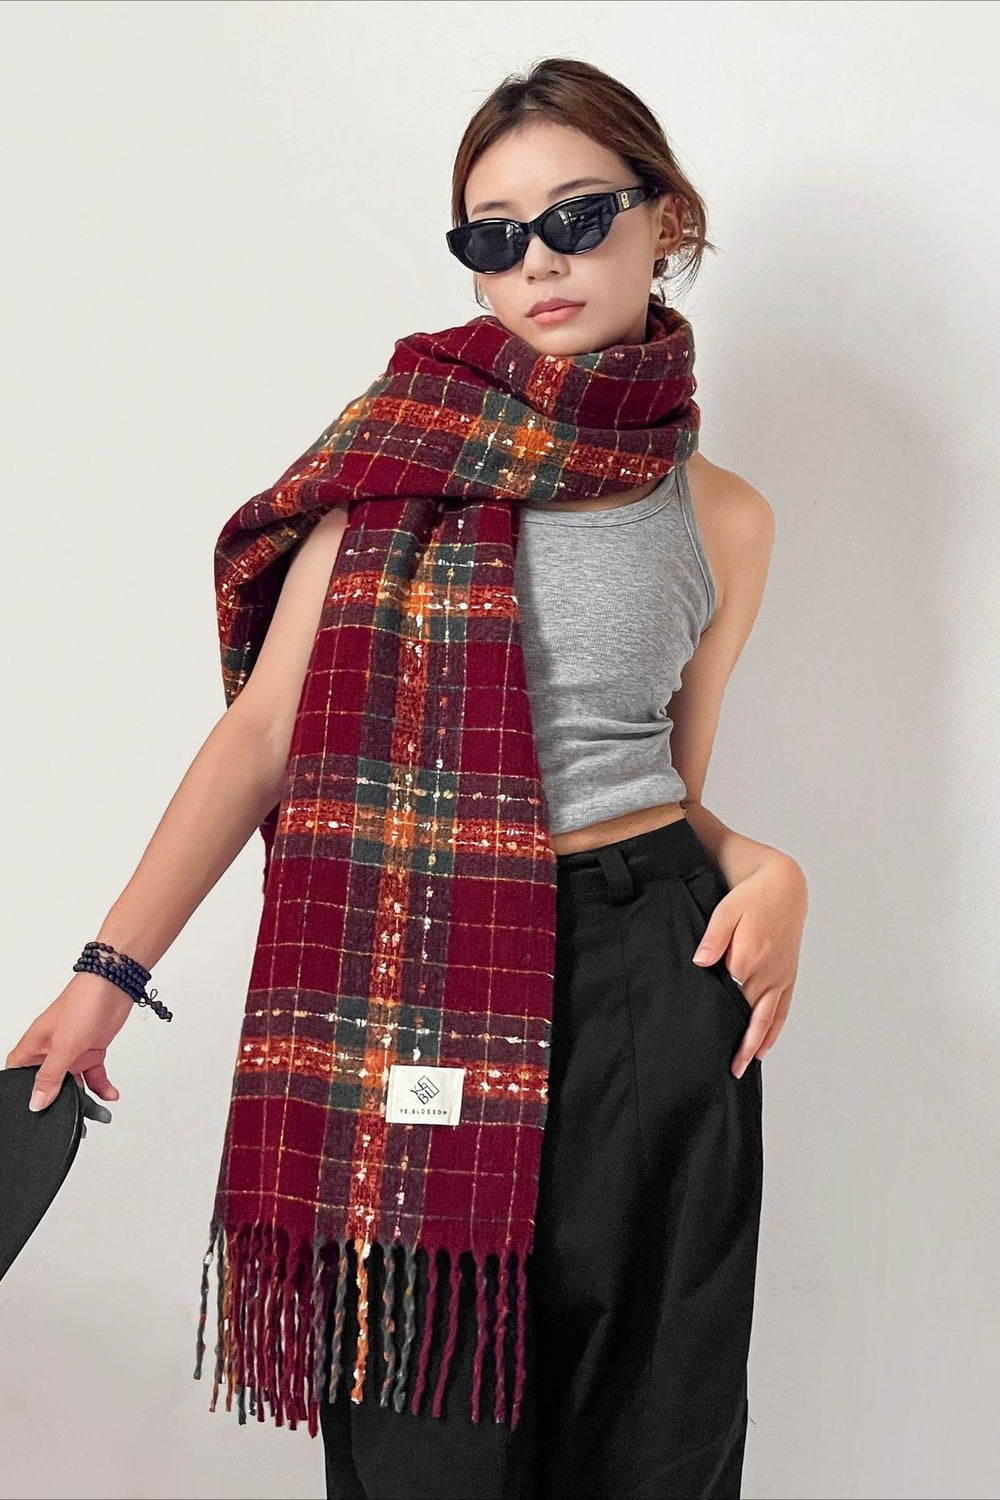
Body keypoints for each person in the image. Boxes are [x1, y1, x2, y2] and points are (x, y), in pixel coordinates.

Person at [5, 55, 808, 1500]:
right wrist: (106, 974)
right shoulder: (398, 465)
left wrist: (767, 868)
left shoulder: (726, 515)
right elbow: (264, 737)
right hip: (419, 972)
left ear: (666, 218)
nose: (538, 262)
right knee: (419, 1430)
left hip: (651, 978)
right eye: (494, 235)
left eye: (577, 216)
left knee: (653, 1432)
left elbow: (661, 782)